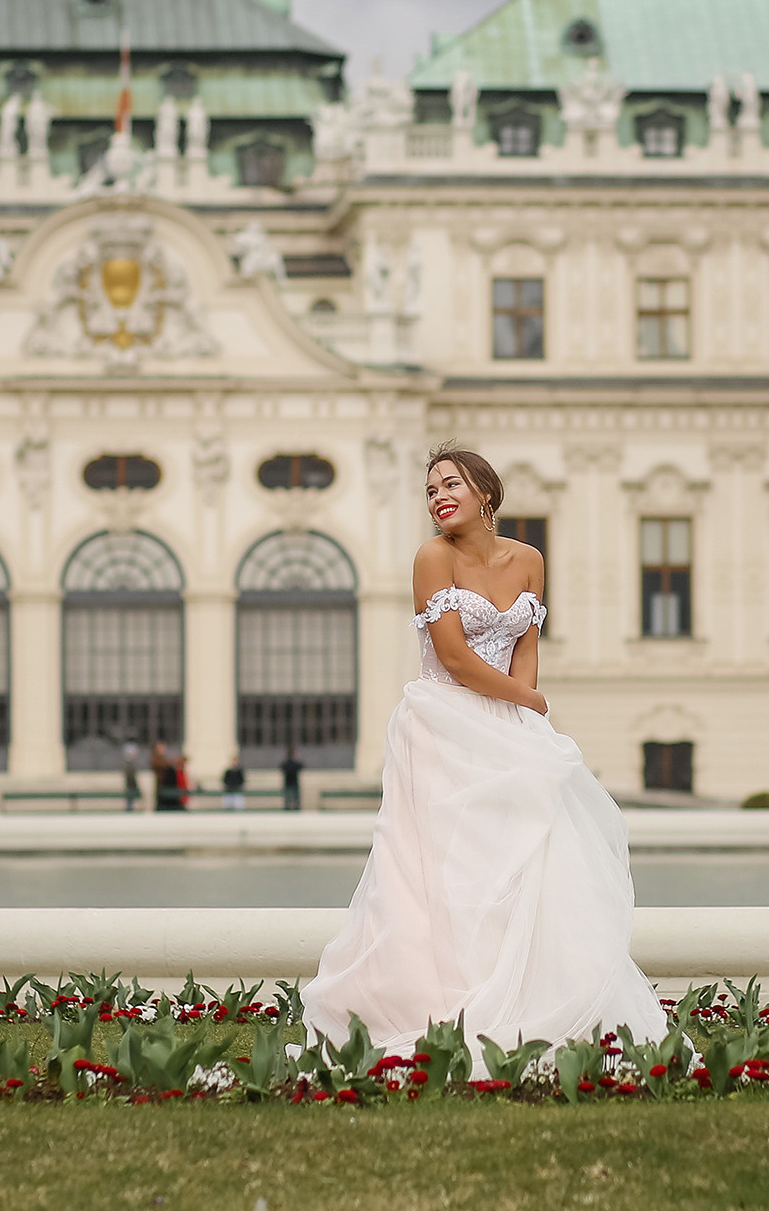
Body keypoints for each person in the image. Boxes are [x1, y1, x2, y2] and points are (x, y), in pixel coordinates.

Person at [301, 444, 668, 1068]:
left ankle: (530, 998)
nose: (439, 497)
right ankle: (443, 1004)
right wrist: (530, 700)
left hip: (508, 721)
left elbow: (526, 644)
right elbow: (454, 658)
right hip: (441, 724)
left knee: (527, 860)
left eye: (451, 484)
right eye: (431, 490)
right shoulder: (432, 558)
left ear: (485, 493)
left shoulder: (529, 560)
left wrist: (525, 721)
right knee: (449, 873)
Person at [121, 741, 142, 814]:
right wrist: (135, 787)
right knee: (129, 805)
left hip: (130, 787)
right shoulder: (129, 765)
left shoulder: (130, 765)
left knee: (130, 804)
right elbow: (131, 778)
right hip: (130, 787)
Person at [280, 745, 303, 812]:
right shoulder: (286, 763)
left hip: (294, 782)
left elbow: (301, 767)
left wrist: (296, 759)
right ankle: (287, 808)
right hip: (288, 783)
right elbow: (282, 767)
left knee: (296, 797)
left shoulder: (295, 763)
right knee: (287, 797)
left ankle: (296, 808)